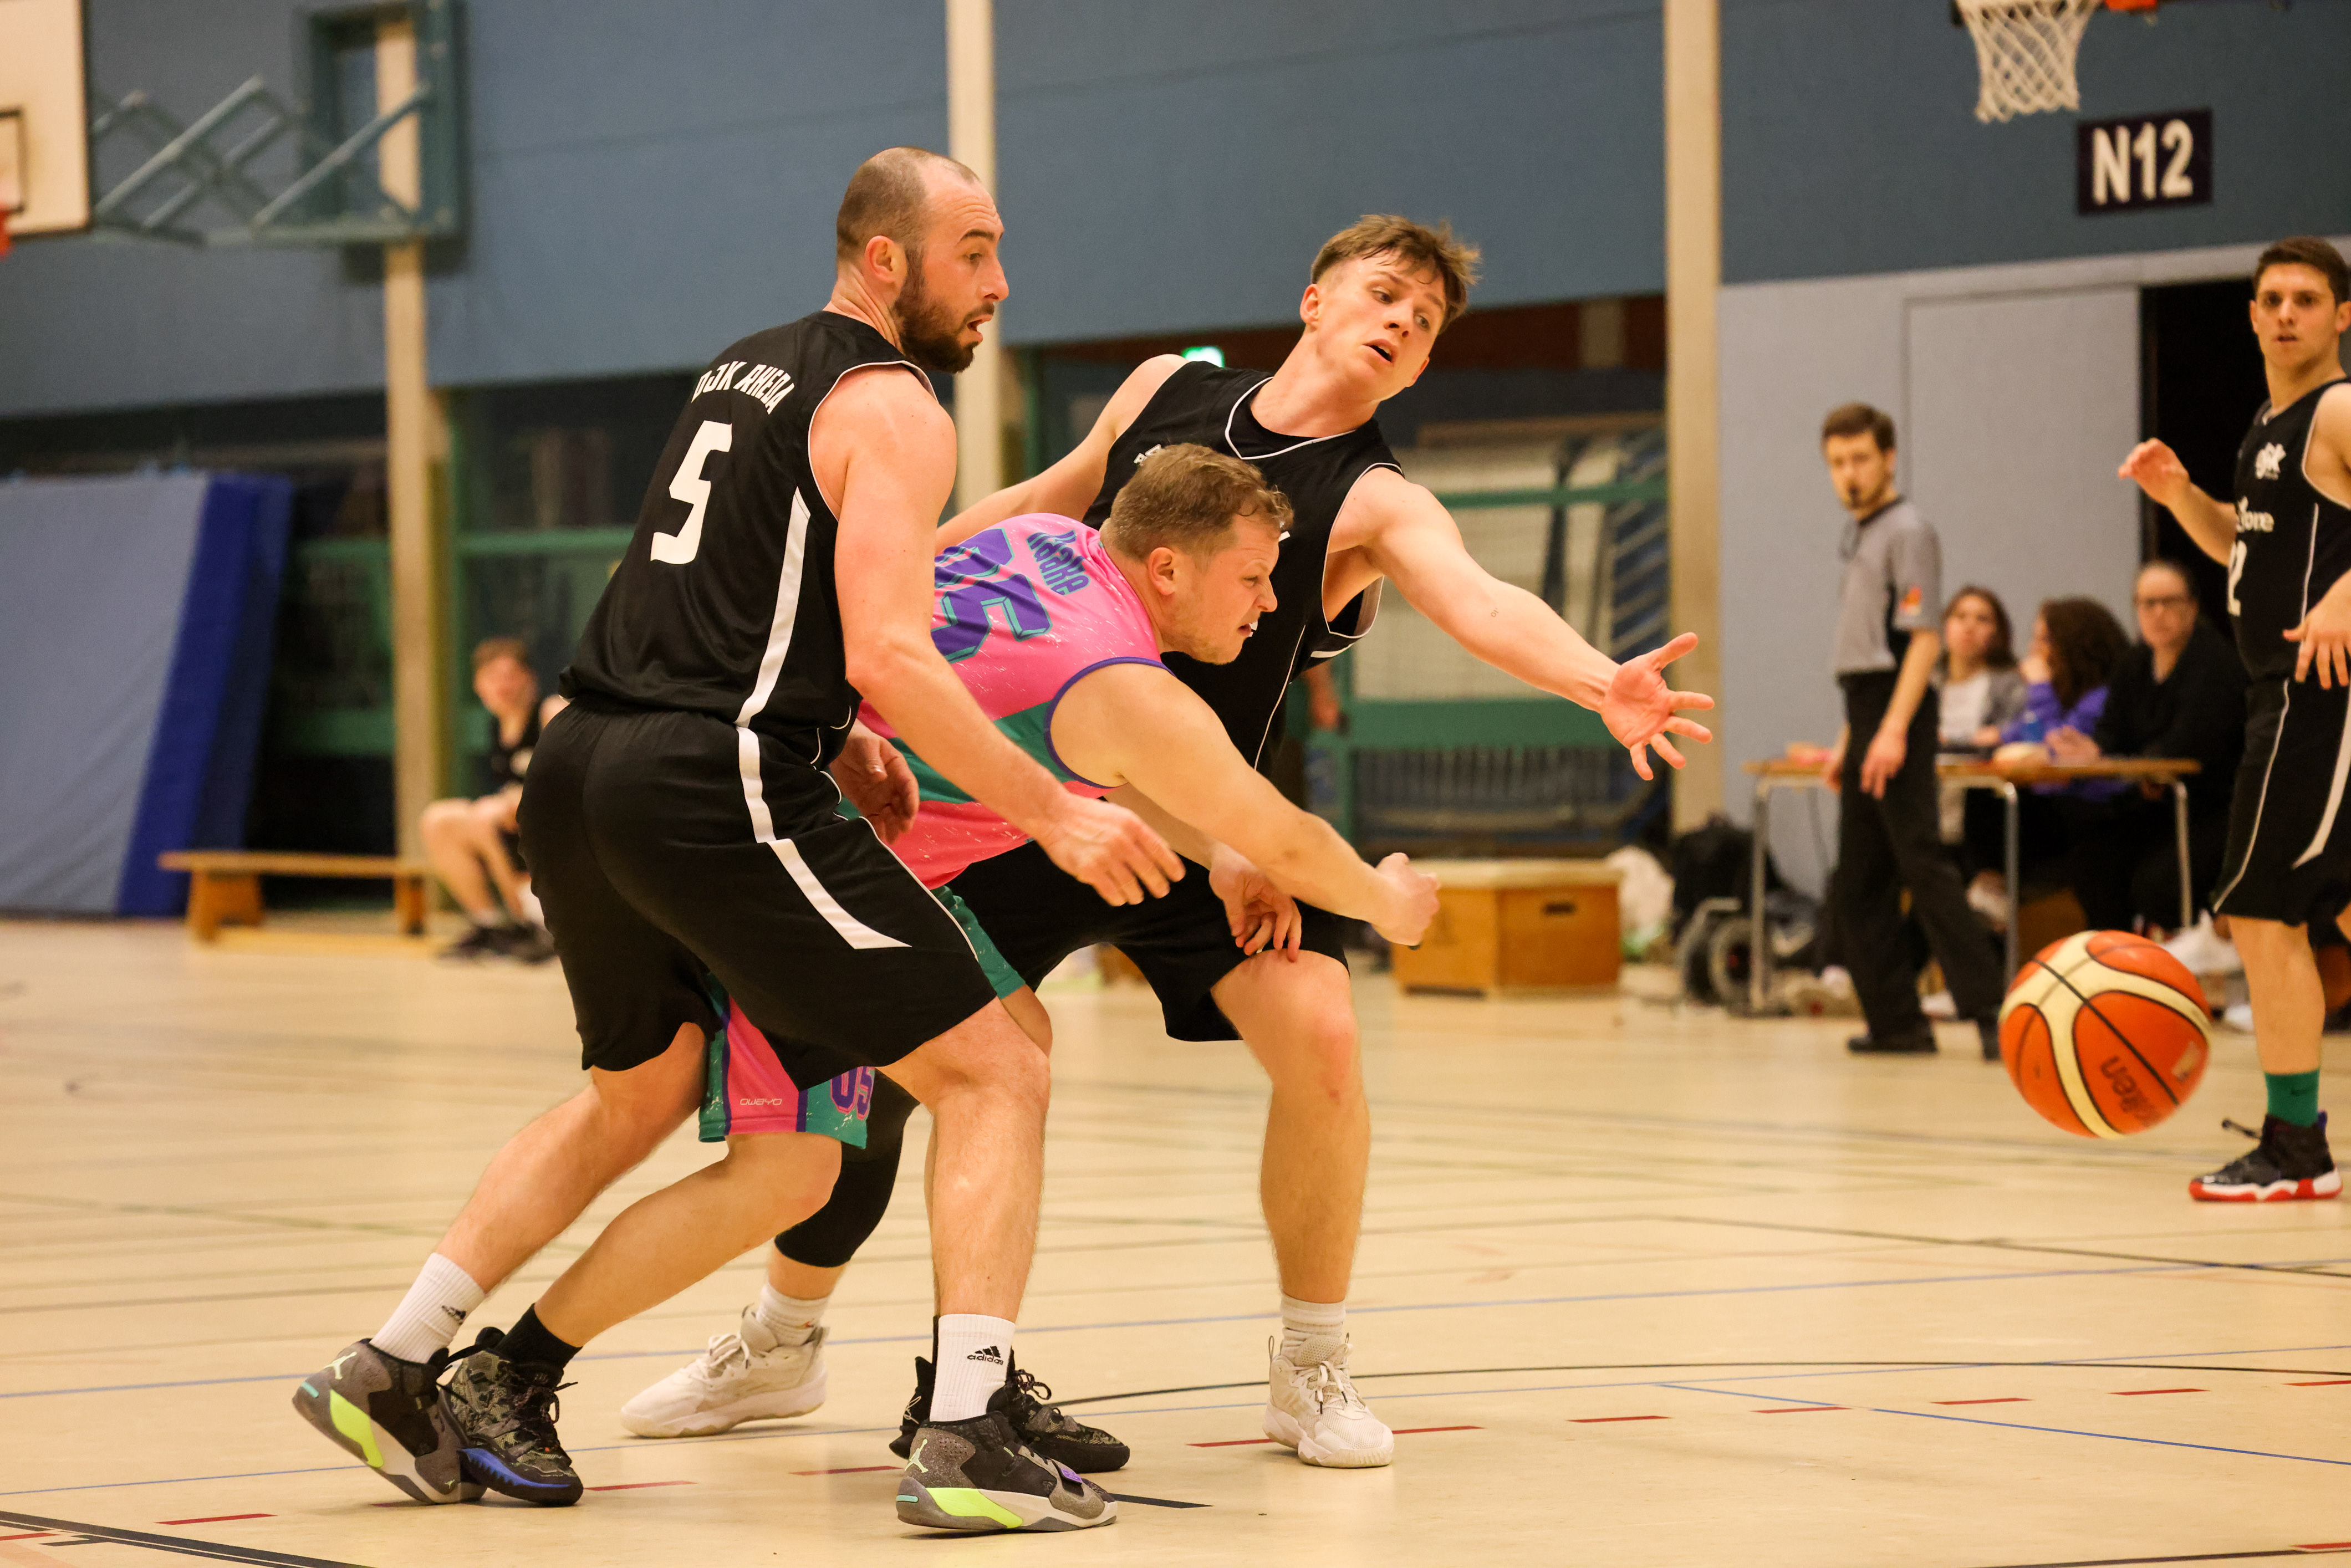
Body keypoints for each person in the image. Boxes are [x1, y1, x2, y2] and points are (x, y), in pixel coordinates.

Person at [651, 214, 1713, 1473]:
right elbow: (1035, 503)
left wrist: (1598, 681)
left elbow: (1479, 599)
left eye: (1423, 322)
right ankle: (785, 1339)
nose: (1398, 323)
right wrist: (879, 593)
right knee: (883, 1062)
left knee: (1322, 1033)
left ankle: (1308, 1365)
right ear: (1313, 297)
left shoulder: (1374, 500)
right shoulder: (1165, 388)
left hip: (1214, 829)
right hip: (1037, 791)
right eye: (1382, 293)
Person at [292, 146, 1179, 1534]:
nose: (999, 282)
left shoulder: (743, 369)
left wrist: (831, 730)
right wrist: (1050, 807)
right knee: (996, 1067)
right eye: (973, 251)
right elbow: (892, 645)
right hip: (712, 781)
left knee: (639, 1091)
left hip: (582, 762)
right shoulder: (895, 404)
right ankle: (966, 1433)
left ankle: (396, 1362)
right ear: (883, 259)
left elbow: (719, 588)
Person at [626, 445, 1442, 1479]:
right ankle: (539, 1355)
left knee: (1011, 1051)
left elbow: (1102, 755)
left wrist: (1222, 855)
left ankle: (972, 1381)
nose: (1270, 601)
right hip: (823, 869)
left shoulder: (1050, 542)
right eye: (1253, 577)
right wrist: (1391, 903)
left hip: (986, 825)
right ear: (1165, 566)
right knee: (759, 1145)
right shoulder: (1121, 672)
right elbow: (1283, 833)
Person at [2123, 234, 2351, 1203]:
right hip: (2281, 688)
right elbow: (2242, 546)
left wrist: (2345, 596)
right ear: (2252, 315)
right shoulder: (2268, 423)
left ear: (2342, 315)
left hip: (2317, 688)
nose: (2287, 312)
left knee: (2261, 911)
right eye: (2272, 299)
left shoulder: (2339, 408)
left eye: (2307, 297)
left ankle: (2296, 1146)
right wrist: (2179, 495)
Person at [1818, 402, 2006, 1059]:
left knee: (1921, 864)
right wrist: (1849, 740)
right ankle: (1896, 1022)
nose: (1848, 473)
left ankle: (1991, 1011)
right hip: (1866, 708)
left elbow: (1920, 641)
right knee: (1858, 880)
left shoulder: (1908, 530)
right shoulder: (1861, 534)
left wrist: (1893, 729)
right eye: (1836, 462)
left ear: (1888, 459)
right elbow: (1864, 652)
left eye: (1859, 459)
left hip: (1897, 708)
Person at [2047, 560, 2246, 933]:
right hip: (2155, 803)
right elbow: (2110, 733)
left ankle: (2191, 949)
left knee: (2157, 882)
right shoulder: (2135, 662)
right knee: (2092, 859)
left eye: (2169, 602)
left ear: (2192, 607)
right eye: (2147, 603)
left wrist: (2115, 760)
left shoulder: (2214, 662)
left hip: (2215, 809)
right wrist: (2089, 750)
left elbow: (2189, 745)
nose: (2157, 613)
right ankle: (2114, 955)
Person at [1961, 597, 2132, 915]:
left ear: (2073, 645)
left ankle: (1992, 887)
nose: (2034, 649)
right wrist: (2000, 736)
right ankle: (1989, 886)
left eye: (2043, 639)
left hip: (2092, 810)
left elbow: (2056, 748)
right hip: (2060, 804)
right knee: (1982, 790)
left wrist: (2040, 688)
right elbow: (2026, 732)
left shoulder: (2102, 697)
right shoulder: (2064, 691)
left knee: (1993, 801)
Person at [420, 637, 563, 962]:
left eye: (510, 675)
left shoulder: (550, 713)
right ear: (478, 686)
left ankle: (531, 923)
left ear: (530, 678)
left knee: (485, 815)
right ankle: (491, 924)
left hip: (561, 842)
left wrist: (520, 800)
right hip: (519, 838)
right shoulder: (497, 726)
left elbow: (574, 781)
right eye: (492, 677)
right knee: (439, 819)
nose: (502, 686)